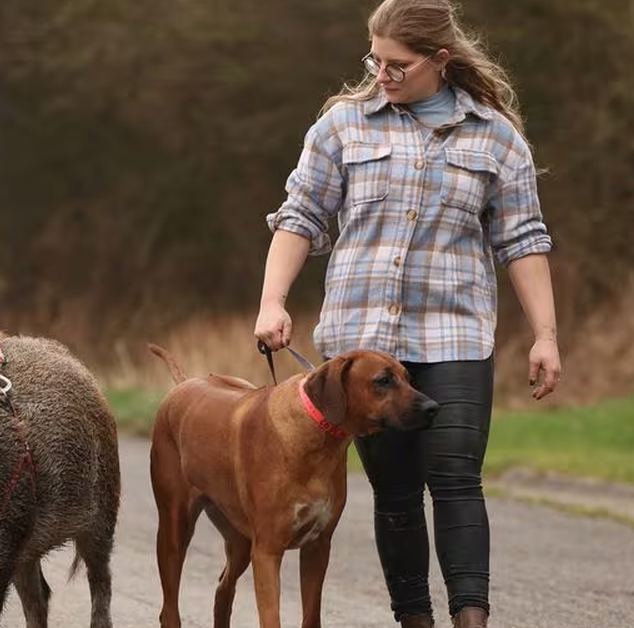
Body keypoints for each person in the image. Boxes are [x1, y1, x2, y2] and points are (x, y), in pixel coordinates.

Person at [253, 1, 561, 627]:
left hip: (455, 335)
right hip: (360, 341)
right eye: (375, 60)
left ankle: (470, 621)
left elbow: (524, 239)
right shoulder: (342, 127)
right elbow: (301, 216)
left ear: (440, 61)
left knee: (454, 477)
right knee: (395, 494)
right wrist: (272, 300)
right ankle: (414, 620)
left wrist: (545, 336)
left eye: (397, 64)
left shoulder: (496, 138)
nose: (382, 75)